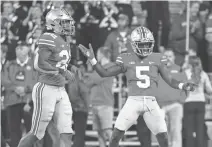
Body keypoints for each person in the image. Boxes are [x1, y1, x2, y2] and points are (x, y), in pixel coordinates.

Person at [78, 26, 197, 147]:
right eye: (142, 44)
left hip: (151, 101)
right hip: (133, 101)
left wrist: (182, 85)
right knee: (115, 135)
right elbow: (104, 73)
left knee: (163, 137)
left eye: (147, 44)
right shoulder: (127, 58)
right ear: (134, 44)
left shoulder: (157, 58)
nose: (145, 47)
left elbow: (170, 80)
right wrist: (92, 59)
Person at [17, 8, 76, 147]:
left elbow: (57, 62)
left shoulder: (64, 41)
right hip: (46, 88)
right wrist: (63, 71)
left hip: (61, 89)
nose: (68, 25)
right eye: (65, 22)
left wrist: (70, 67)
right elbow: (39, 64)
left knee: (66, 132)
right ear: (54, 23)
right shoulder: (48, 37)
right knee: (37, 134)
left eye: (68, 22)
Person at [83, 47, 114, 147]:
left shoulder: (110, 66)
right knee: (100, 134)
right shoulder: (99, 68)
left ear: (102, 55)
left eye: (98, 54)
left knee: (108, 131)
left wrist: (89, 76)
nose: (96, 56)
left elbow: (95, 78)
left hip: (105, 104)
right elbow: (88, 82)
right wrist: (90, 77)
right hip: (96, 103)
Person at [157, 50, 187, 147]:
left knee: (176, 131)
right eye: (166, 56)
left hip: (175, 105)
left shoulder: (179, 70)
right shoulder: (157, 70)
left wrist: (181, 100)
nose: (168, 58)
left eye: (170, 56)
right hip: (160, 106)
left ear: (174, 57)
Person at [182, 56, 212, 147]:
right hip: (200, 103)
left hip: (188, 103)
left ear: (189, 64)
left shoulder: (185, 74)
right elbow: (210, 90)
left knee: (189, 128)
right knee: (200, 128)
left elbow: (181, 88)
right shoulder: (203, 74)